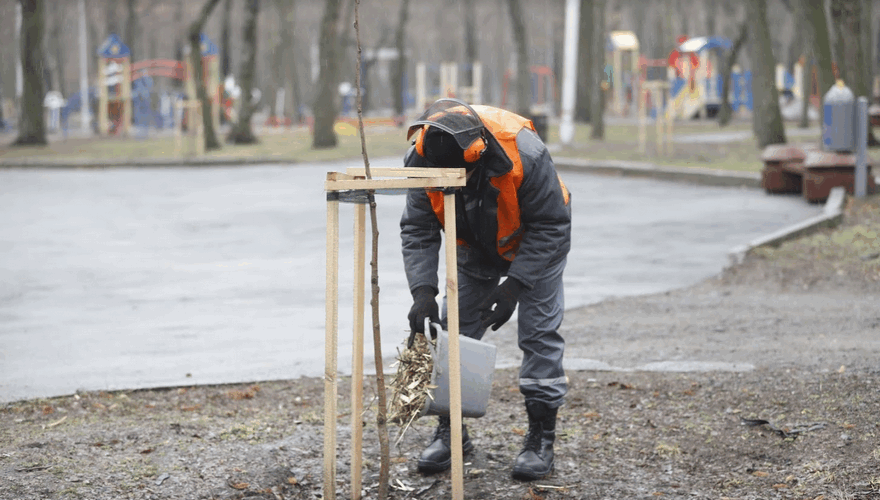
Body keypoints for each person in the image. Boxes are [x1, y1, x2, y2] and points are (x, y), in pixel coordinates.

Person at [399, 98, 572, 481]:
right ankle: (450, 432)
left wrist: (516, 286)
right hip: (473, 245)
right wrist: (423, 291)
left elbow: (552, 224)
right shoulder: (422, 159)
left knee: (539, 333)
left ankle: (541, 439)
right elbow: (419, 227)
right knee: (454, 332)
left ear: (475, 156)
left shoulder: (524, 151)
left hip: (536, 243)